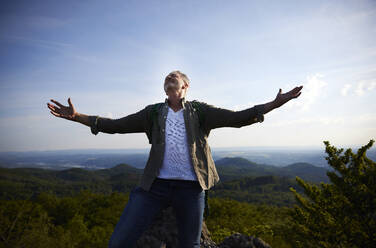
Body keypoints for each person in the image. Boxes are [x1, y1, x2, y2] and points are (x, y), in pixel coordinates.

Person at [47, 70, 303, 248]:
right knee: (119, 242)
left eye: (176, 76)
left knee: (190, 245)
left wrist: (275, 104)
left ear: (185, 87)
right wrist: (78, 117)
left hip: (191, 188)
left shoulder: (200, 112)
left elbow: (237, 118)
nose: (171, 76)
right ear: (165, 88)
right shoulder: (153, 113)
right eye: (167, 77)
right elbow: (116, 125)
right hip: (154, 187)